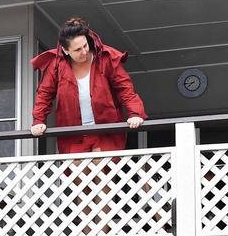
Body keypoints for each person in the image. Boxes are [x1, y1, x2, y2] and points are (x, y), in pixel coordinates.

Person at [30, 17, 146, 152]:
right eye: (78, 49)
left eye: (85, 45)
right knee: (76, 171)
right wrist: (38, 121)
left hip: (105, 130)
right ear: (65, 50)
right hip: (72, 133)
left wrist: (135, 113)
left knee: (101, 167)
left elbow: (125, 89)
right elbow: (44, 94)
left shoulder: (106, 57)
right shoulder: (56, 65)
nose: (84, 51)